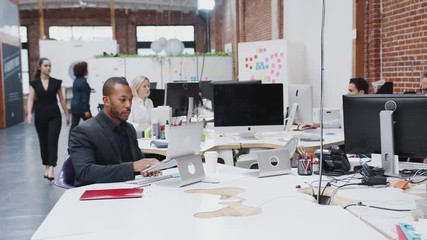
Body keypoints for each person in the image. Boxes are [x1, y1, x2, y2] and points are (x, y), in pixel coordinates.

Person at [69, 77, 160, 187]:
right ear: (106, 101)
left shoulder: (129, 129)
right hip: (97, 196)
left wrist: (149, 166)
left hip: (128, 190)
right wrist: (132, 167)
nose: (128, 105)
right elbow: (85, 172)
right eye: (122, 100)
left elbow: (137, 160)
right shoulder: (83, 131)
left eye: (130, 100)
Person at [27, 57, 71, 181]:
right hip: (40, 115)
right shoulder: (34, 83)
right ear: (40, 67)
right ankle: (46, 164)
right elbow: (30, 98)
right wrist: (29, 114)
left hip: (54, 115)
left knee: (52, 140)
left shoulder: (56, 82)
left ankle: (51, 167)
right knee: (43, 141)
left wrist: (67, 115)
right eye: (46, 66)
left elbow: (62, 99)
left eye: (50, 66)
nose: (48, 68)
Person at [69, 61, 91, 141]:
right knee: (92, 124)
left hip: (74, 106)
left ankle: (70, 142)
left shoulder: (76, 81)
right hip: (82, 107)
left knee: (74, 125)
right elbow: (84, 98)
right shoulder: (83, 82)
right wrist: (86, 110)